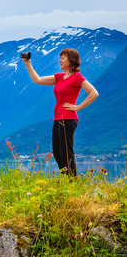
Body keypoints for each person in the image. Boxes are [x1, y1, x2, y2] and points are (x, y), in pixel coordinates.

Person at [22, 48, 99, 176]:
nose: (59, 61)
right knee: (57, 153)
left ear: (71, 60)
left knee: (66, 152)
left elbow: (94, 93)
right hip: (58, 118)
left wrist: (78, 107)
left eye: (63, 58)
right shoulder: (59, 77)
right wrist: (28, 64)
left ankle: (72, 182)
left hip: (68, 118)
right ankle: (66, 178)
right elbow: (38, 80)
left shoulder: (77, 77)